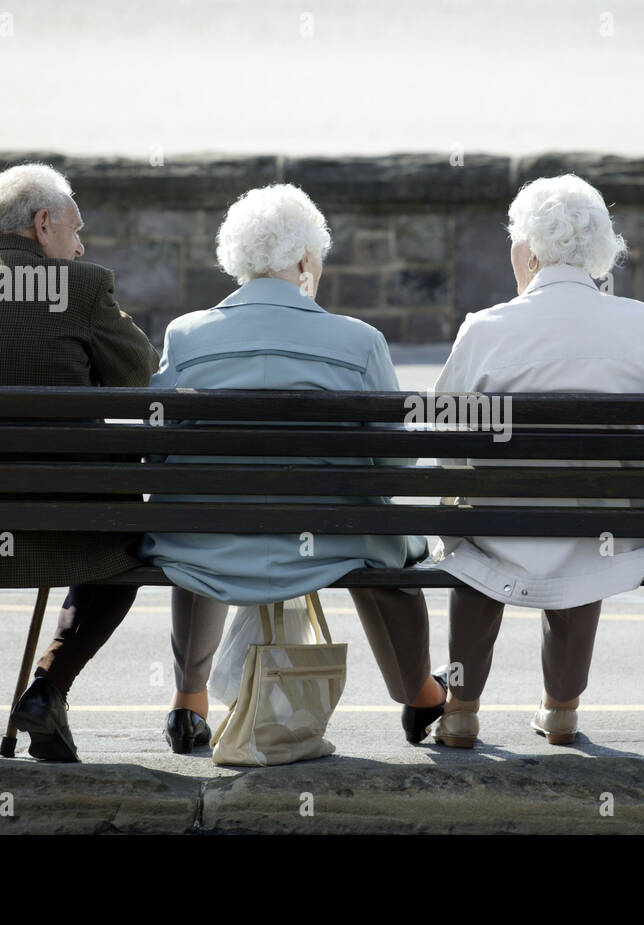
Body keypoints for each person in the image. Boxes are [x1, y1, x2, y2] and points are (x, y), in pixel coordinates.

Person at [139, 184, 445, 754]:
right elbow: (396, 461)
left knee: (195, 520)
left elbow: (159, 449)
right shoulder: (358, 340)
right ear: (305, 261)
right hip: (330, 541)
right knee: (391, 545)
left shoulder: (186, 334)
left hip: (210, 539)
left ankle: (189, 702)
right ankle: (421, 696)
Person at [0, 163, 159, 761]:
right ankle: (47, 689)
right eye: (74, 228)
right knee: (130, 548)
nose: (80, 243)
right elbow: (142, 375)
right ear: (42, 225)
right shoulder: (83, 288)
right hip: (79, 531)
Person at [430, 174, 644, 748]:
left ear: (527, 249)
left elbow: (445, 439)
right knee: (587, 534)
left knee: (470, 533)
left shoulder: (485, 329)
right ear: (600, 250)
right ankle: (561, 709)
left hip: (501, 529)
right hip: (610, 536)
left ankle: (461, 710)